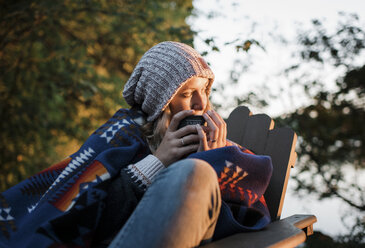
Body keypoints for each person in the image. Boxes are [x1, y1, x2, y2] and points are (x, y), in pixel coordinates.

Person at [0, 41, 272, 248]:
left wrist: (213, 162)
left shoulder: (221, 146)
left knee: (196, 172)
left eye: (205, 90)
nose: (201, 104)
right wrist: (156, 163)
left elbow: (223, 224)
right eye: (188, 93)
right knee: (192, 173)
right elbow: (86, 218)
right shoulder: (120, 136)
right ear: (161, 101)